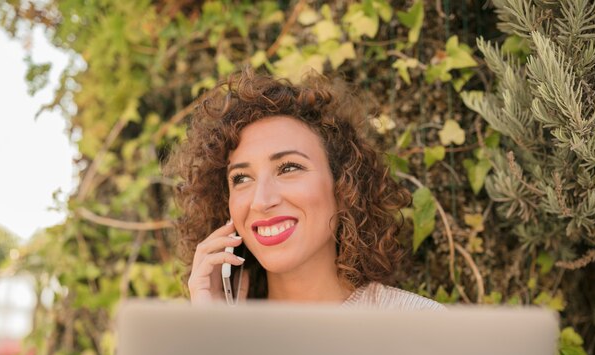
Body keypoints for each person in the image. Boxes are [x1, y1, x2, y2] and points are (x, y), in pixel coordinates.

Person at [166, 67, 442, 310]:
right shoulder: (217, 330)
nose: (261, 201)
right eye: (241, 178)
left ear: (344, 184)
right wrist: (211, 332)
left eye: (288, 168)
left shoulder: (416, 324)